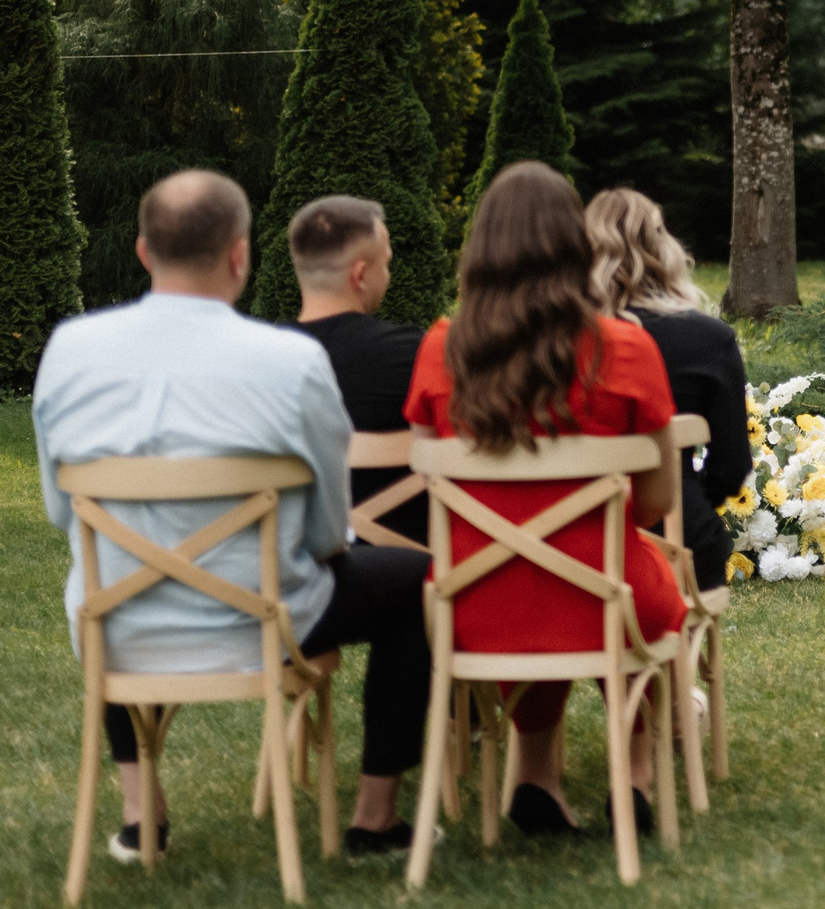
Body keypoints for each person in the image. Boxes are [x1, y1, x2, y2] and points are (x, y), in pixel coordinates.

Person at [33, 170, 431, 861]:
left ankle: (139, 812)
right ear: (241, 255)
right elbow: (326, 528)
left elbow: (60, 509)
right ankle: (375, 817)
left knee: (112, 590)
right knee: (418, 581)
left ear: (142, 251)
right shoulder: (291, 361)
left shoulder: (68, 349)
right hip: (266, 619)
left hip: (116, 620)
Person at [404, 161, 686, 837]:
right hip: (606, 592)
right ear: (575, 247)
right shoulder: (625, 347)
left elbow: (427, 494)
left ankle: (534, 775)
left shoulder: (439, 350)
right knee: (637, 585)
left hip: (473, 602)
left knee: (531, 586)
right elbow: (654, 500)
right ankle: (638, 771)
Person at [585, 188, 751, 589]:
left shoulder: (558, 343)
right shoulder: (709, 338)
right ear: (664, 248)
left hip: (576, 534)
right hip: (682, 534)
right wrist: (688, 499)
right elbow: (732, 465)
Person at [290, 196, 427, 547]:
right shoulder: (416, 354)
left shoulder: (262, 363)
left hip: (290, 578)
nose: (390, 275)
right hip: (407, 576)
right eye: (387, 264)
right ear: (360, 275)